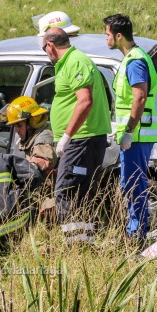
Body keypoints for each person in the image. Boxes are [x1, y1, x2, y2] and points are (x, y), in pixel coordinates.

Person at [42, 27, 111, 245]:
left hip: (82, 140)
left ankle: (76, 245)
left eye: (45, 49)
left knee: (67, 191)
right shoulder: (68, 63)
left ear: (50, 46)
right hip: (81, 140)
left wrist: (66, 136)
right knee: (79, 193)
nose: (46, 53)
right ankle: (83, 243)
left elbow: (85, 100)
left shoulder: (75, 62)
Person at [104, 14, 157, 241]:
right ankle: (135, 231)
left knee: (133, 184)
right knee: (131, 183)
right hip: (134, 134)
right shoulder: (133, 58)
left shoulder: (135, 61)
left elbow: (139, 97)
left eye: (107, 34)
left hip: (136, 135)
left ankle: (136, 235)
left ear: (119, 36)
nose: (106, 39)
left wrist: (127, 131)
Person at [0, 96, 57, 179]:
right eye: (14, 126)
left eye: (19, 125)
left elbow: (35, 170)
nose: (16, 130)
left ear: (32, 123)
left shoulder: (43, 140)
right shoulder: (29, 138)